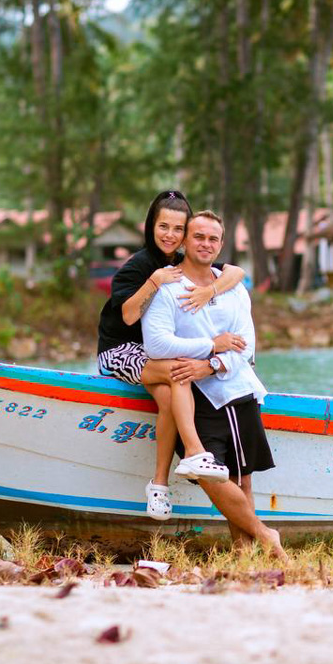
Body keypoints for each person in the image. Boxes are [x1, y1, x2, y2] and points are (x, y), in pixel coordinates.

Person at [142, 210, 286, 560]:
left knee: (242, 477)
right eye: (199, 237)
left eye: (213, 239)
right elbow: (156, 345)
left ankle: (243, 555)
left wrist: (211, 364)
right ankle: (268, 536)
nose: (205, 244)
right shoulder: (167, 288)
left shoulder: (233, 288)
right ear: (186, 241)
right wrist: (210, 346)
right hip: (190, 395)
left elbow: (245, 344)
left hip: (232, 388)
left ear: (221, 244)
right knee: (209, 476)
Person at [96, 190, 248, 521]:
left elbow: (236, 272)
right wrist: (154, 281)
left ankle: (159, 485)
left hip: (159, 354)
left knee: (167, 398)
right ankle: (194, 452)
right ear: (151, 225)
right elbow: (128, 317)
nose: (170, 235)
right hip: (120, 351)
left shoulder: (184, 260)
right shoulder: (139, 266)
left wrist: (211, 290)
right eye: (163, 226)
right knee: (179, 369)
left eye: (178, 229)